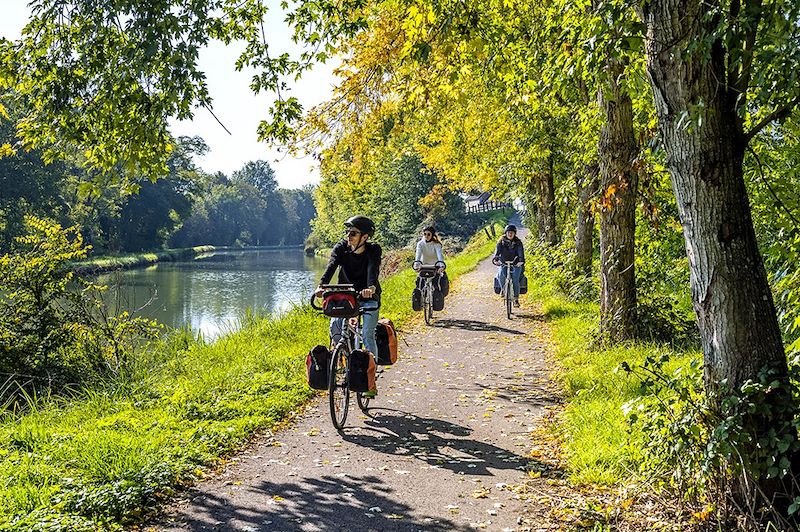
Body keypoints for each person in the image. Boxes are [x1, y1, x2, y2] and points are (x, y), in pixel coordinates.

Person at [315, 215, 381, 397]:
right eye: (347, 232)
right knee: (336, 328)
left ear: (365, 237)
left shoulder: (373, 250)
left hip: (368, 296)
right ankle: (343, 359)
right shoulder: (341, 249)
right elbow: (331, 266)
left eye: (353, 233)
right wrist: (321, 286)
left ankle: (370, 381)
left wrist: (370, 288)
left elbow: (372, 270)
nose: (348, 236)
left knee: (367, 334)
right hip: (345, 295)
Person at [492, 224, 525, 307]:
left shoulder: (518, 243)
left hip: (516, 264)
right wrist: (496, 259)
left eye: (512, 233)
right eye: (508, 232)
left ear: (514, 234)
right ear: (505, 233)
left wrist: (520, 261)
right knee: (501, 276)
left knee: (515, 279)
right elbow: (497, 252)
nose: (510, 234)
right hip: (503, 263)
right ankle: (503, 289)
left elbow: (521, 253)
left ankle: (516, 299)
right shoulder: (501, 242)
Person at [412, 225, 448, 296]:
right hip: (424, 266)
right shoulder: (420, 244)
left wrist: (441, 266)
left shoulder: (436, 244)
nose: (426, 236)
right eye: (425, 234)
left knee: (437, 284)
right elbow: (418, 255)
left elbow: (439, 255)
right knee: (419, 284)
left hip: (435, 266)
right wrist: (416, 265)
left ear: (432, 235)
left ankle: (436, 299)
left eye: (428, 234)